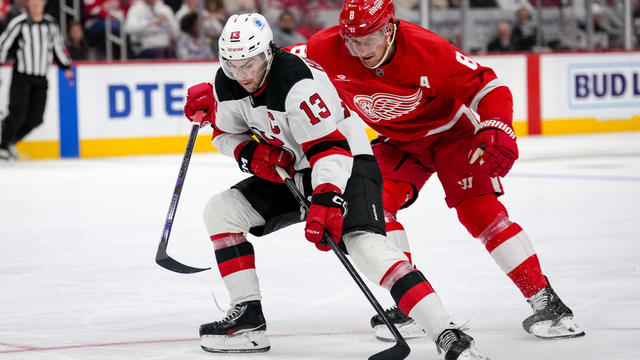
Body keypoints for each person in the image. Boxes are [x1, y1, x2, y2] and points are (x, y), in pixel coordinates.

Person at [183, 13, 489, 360]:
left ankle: (447, 333)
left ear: (268, 53)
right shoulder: (227, 82)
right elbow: (225, 134)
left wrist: (327, 200)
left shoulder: (297, 83)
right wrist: (250, 153)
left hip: (348, 165)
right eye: (232, 64)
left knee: (366, 248)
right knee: (221, 212)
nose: (242, 75)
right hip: (295, 171)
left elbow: (331, 150)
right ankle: (248, 320)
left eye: (249, 64)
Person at [286, 0, 585, 342]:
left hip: (453, 135)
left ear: (389, 27)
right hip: (399, 141)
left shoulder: (426, 49)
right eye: (350, 39)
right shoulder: (327, 47)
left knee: (480, 213)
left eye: (367, 39)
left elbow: (487, 84)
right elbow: (277, 67)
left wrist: (499, 125)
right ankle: (408, 305)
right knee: (373, 210)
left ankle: (547, 301)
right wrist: (226, 93)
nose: (357, 49)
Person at [0, 0, 74, 161]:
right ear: (28, 5)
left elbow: (58, 48)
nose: (36, 5)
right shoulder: (19, 24)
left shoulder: (51, 24)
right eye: (33, 2)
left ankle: (11, 141)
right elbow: (3, 45)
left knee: (36, 118)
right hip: (22, 76)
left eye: (39, 2)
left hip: (41, 76)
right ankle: (3, 145)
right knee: (17, 113)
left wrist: (66, 67)